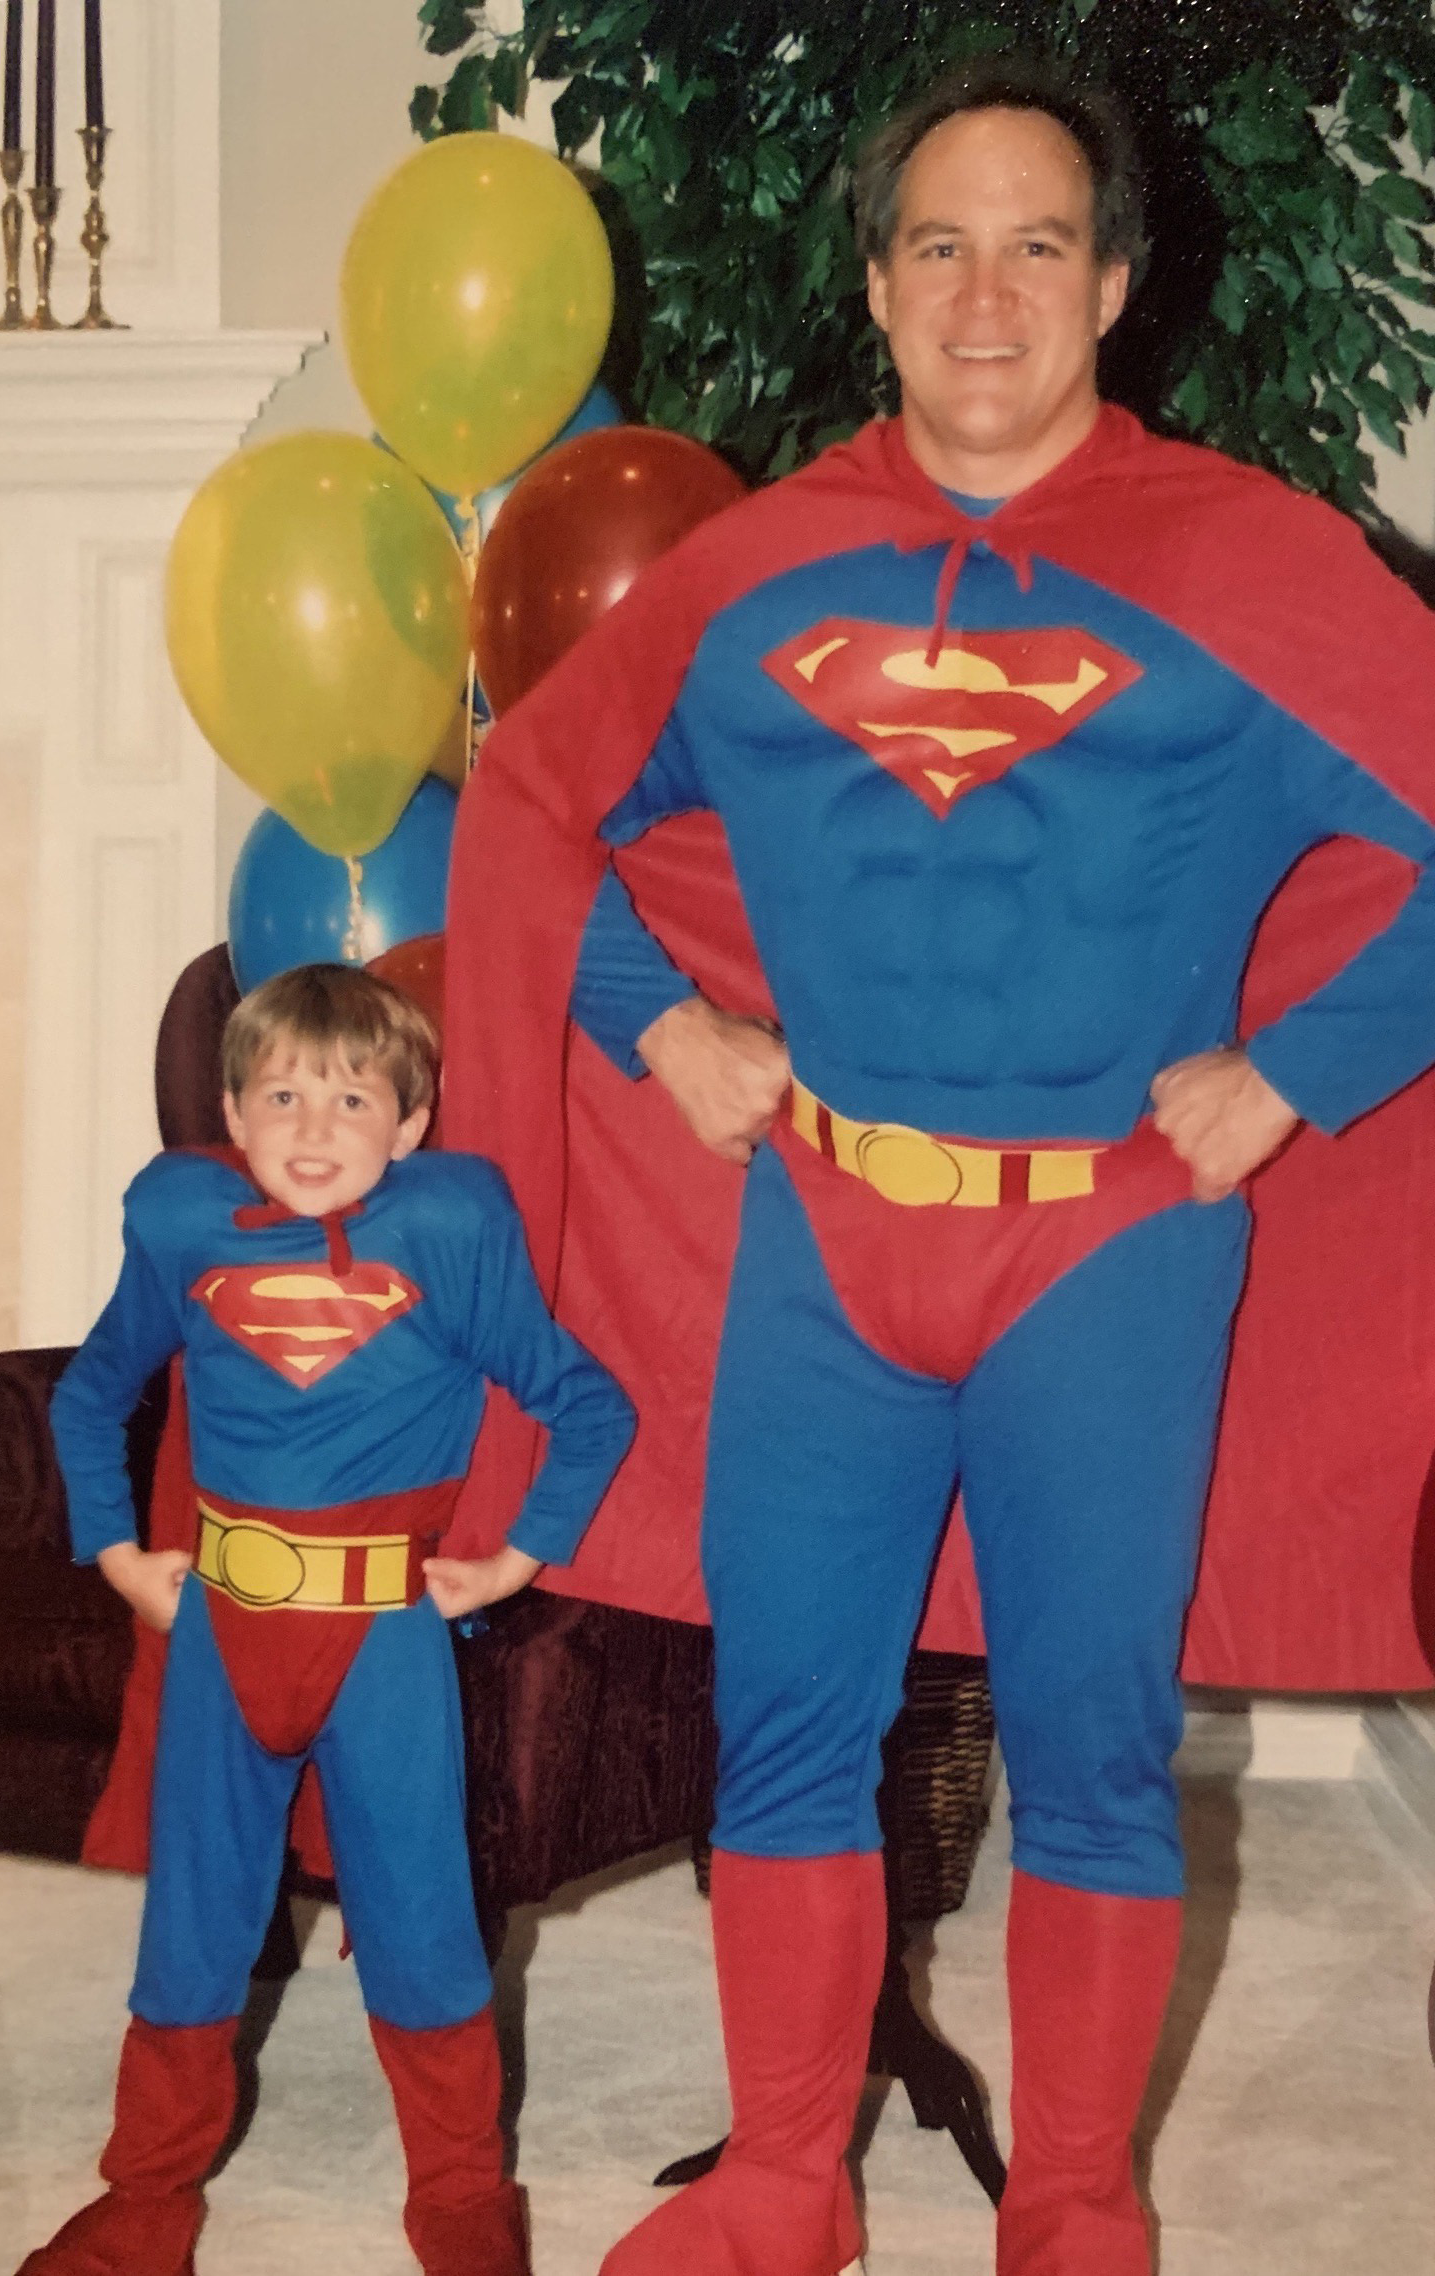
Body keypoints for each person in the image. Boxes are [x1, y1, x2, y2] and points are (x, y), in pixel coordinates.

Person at [439, 51, 1435, 2276]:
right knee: (787, 1738)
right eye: (940, 245)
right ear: (880, 288)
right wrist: (654, 1012)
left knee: (1089, 1754)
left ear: (1115, 286)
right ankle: (788, 2182)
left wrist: (1299, 1066)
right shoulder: (756, 570)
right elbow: (527, 800)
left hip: (1109, 1259)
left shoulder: (1252, 565)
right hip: (833, 1243)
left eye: (1039, 243)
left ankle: (1076, 2200)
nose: (989, 291)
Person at [20, 964, 634, 2276]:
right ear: (232, 1115)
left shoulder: (452, 1232)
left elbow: (588, 1405)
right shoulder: (187, 1227)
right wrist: (118, 1552)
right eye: (282, 1095)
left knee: (420, 1915)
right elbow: (90, 1392)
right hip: (225, 1631)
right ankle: (144, 2201)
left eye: (353, 1099)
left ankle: (463, 2197)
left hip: (384, 1644)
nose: (312, 1130)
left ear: (412, 1126)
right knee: (192, 1920)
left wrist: (514, 1563)